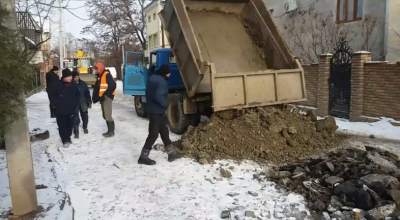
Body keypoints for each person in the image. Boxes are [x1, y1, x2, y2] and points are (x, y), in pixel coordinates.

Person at [137, 64, 183, 165]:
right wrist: (165, 104)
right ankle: (143, 157)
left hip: (153, 109)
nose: (170, 74)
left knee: (164, 131)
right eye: (169, 72)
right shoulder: (161, 81)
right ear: (166, 73)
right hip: (156, 110)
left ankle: (171, 154)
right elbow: (158, 95)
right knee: (153, 134)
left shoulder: (153, 77)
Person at [48, 68, 81, 147]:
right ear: (64, 77)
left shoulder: (74, 85)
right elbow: (51, 95)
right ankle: (64, 140)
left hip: (71, 109)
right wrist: (55, 103)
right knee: (62, 125)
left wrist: (75, 104)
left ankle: (68, 137)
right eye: (68, 77)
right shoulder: (56, 85)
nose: (70, 78)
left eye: (71, 77)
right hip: (60, 109)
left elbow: (78, 95)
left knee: (70, 125)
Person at [92, 62, 117, 137]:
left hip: (107, 98)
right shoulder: (101, 75)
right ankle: (109, 131)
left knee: (108, 115)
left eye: (97, 69)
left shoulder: (106, 75)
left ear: (100, 69)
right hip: (103, 97)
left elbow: (113, 85)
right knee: (105, 115)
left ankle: (111, 132)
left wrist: (106, 95)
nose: (96, 71)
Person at [72, 71, 92, 138]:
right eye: (75, 77)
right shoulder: (71, 84)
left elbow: (87, 93)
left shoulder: (83, 84)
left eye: (77, 77)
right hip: (74, 102)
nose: (76, 78)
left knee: (85, 115)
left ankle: (85, 127)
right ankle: (76, 132)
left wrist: (89, 101)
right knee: (75, 117)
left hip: (83, 101)